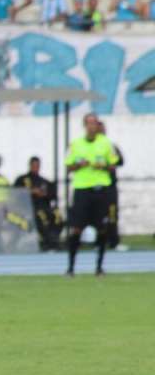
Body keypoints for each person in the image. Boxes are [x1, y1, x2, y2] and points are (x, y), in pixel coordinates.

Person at [66, 113, 118, 276]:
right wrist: (78, 165)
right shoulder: (76, 144)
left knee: (102, 228)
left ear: (98, 125)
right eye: (88, 123)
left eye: (94, 123)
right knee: (76, 229)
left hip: (100, 189)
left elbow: (113, 165)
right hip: (82, 189)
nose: (91, 126)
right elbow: (69, 167)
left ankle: (99, 267)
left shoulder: (106, 143)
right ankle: (71, 268)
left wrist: (102, 165)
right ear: (84, 125)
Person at [14, 156, 61, 250]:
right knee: (41, 216)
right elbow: (15, 193)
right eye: (34, 165)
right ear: (30, 165)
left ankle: (54, 239)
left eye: (37, 166)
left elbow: (53, 196)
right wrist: (31, 191)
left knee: (57, 217)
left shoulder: (44, 181)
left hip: (44, 206)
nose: (35, 167)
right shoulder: (22, 179)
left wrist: (44, 194)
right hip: (30, 207)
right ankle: (47, 241)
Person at [98, 120, 124, 249]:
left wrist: (108, 165)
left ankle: (114, 242)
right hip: (95, 188)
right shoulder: (90, 147)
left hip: (110, 187)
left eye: (103, 130)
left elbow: (120, 161)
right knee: (98, 215)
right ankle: (99, 242)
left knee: (112, 214)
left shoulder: (111, 146)